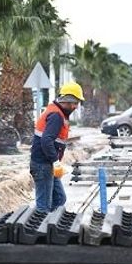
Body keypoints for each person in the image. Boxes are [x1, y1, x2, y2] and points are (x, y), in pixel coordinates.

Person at [30, 82, 84, 212]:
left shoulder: (58, 112)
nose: (76, 107)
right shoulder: (56, 115)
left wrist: (55, 163)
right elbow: (46, 140)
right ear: (69, 100)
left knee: (59, 199)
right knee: (43, 206)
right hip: (43, 165)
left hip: (48, 164)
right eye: (75, 103)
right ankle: (40, 229)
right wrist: (56, 161)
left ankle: (50, 225)